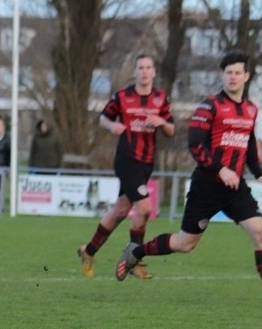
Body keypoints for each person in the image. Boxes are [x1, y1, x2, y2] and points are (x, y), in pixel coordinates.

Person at [117, 51, 262, 283]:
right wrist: (220, 169)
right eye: (228, 73)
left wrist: (259, 172)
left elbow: (249, 147)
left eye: (237, 72)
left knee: (260, 233)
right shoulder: (209, 107)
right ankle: (136, 252)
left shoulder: (251, 110)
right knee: (185, 244)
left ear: (246, 76)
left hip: (235, 189)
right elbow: (195, 146)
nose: (232, 77)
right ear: (222, 75)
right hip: (206, 187)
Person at [77, 54, 174, 279]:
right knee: (145, 208)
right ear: (135, 71)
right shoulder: (122, 96)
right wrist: (111, 125)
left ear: (154, 72)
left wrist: (162, 123)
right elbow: (103, 118)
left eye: (149, 67)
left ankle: (88, 250)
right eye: (141, 67)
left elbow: (172, 130)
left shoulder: (161, 98)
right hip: (126, 160)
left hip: (147, 162)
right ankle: (134, 260)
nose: (145, 71)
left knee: (120, 210)